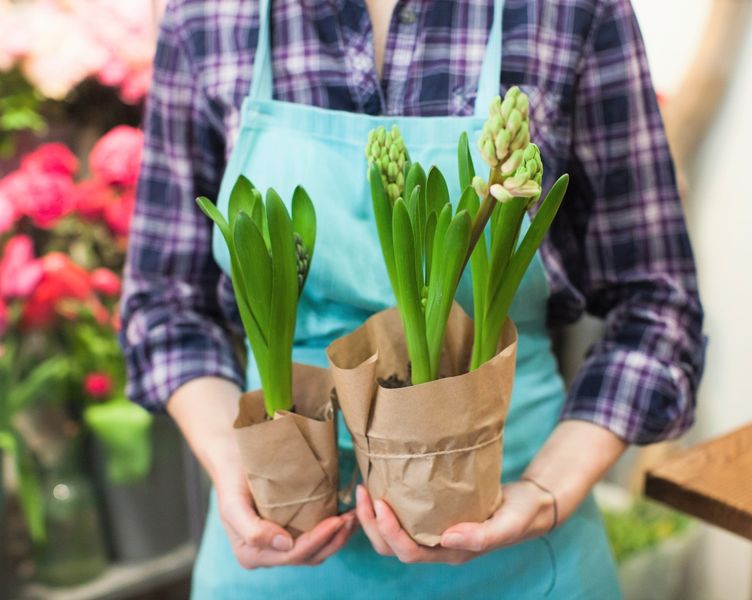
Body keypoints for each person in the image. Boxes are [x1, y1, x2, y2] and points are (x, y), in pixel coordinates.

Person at [120, 0, 705, 597]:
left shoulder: (572, 9)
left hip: (520, 536)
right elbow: (165, 305)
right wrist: (232, 468)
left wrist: (546, 493)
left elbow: (657, 307)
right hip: (279, 552)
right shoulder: (207, 13)